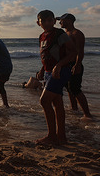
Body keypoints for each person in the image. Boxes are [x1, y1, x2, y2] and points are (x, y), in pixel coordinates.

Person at [36, 10, 77, 145]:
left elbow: (73, 53)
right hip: (49, 72)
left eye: (50, 20)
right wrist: (42, 69)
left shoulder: (60, 34)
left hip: (61, 71)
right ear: (38, 23)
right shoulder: (42, 36)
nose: (47, 23)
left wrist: (59, 66)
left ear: (54, 21)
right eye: (44, 21)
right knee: (57, 103)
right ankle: (61, 136)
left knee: (44, 101)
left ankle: (51, 136)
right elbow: (46, 55)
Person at [57, 13, 92, 118]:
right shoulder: (64, 34)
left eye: (62, 20)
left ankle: (87, 114)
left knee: (75, 89)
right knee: (69, 88)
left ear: (69, 20)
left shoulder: (77, 33)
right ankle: (74, 109)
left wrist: (77, 65)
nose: (60, 22)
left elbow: (80, 52)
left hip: (74, 64)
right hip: (66, 65)